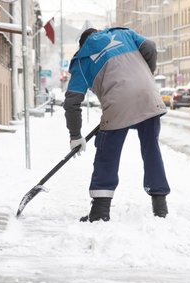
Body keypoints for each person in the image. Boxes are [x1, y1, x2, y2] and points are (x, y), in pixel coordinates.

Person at [63, 27, 170, 222]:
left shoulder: (82, 59)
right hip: (149, 94)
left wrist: (75, 135)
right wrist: (147, 74)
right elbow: (150, 47)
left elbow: (72, 101)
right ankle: (160, 207)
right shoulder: (124, 34)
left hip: (117, 103)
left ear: (82, 44)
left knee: (107, 152)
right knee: (151, 148)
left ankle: (100, 210)